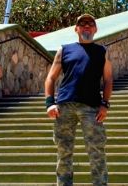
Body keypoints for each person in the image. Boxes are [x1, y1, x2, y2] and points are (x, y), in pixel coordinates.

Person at [44, 13, 113, 186]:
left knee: (96, 150)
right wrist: (49, 103)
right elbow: (51, 78)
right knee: (63, 151)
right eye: (82, 23)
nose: (86, 26)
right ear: (76, 29)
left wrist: (105, 104)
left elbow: (108, 79)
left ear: (95, 29)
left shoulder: (102, 52)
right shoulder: (64, 50)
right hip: (64, 107)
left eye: (90, 23)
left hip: (92, 108)